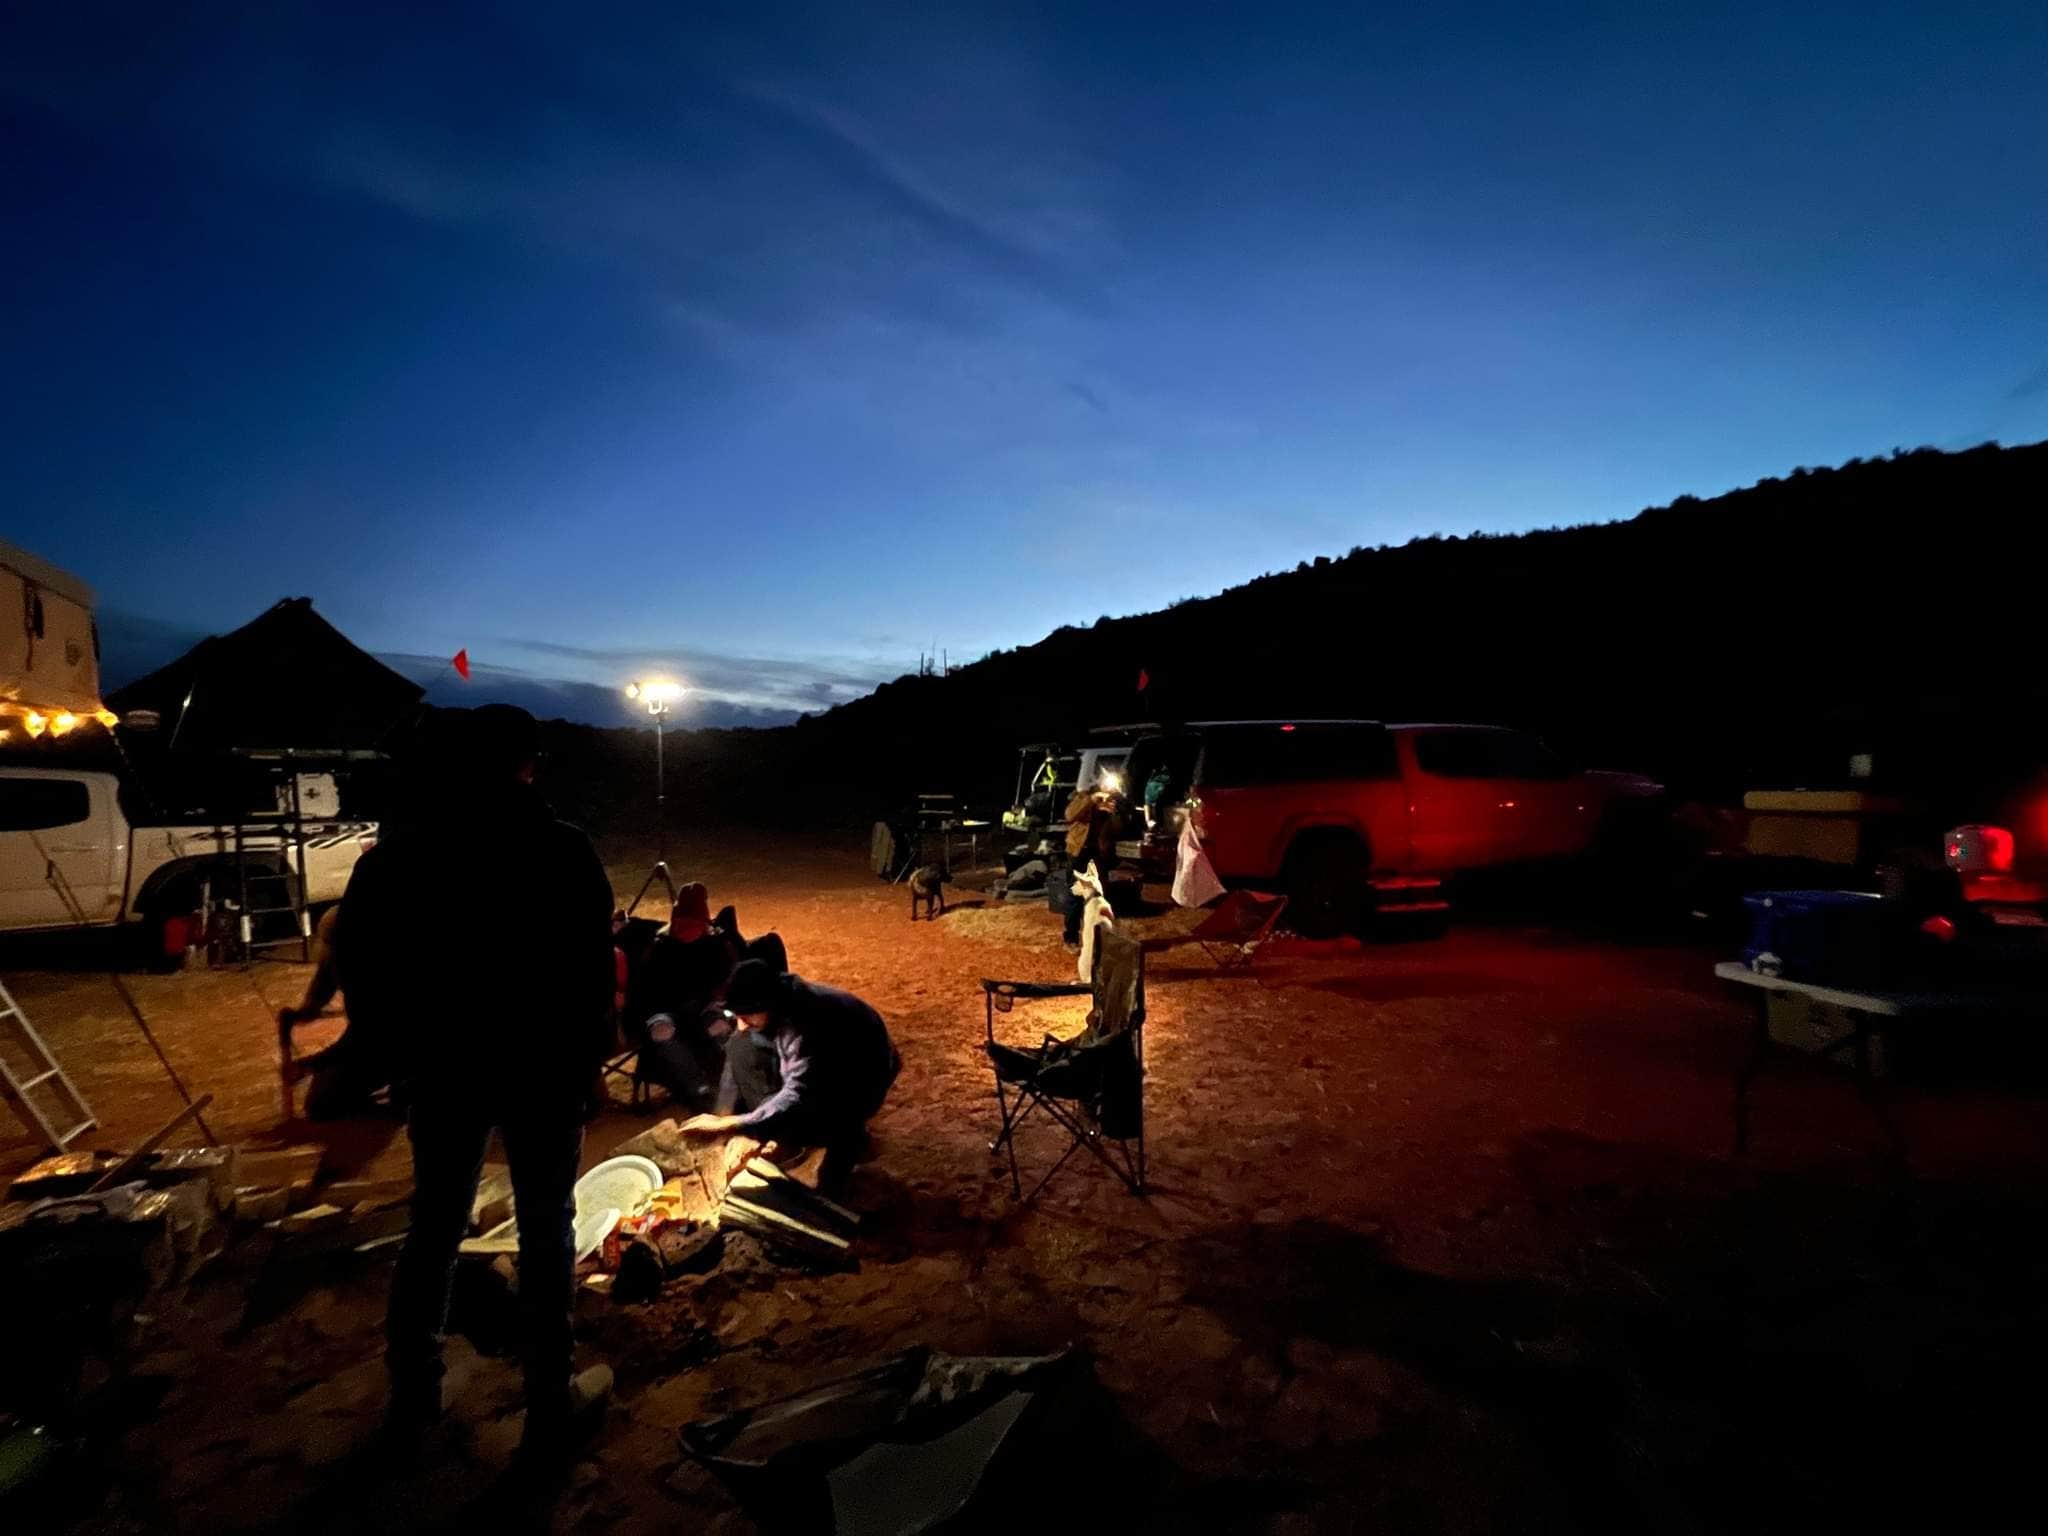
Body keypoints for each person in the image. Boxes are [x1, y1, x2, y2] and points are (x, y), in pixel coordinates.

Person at [340, 704, 617, 1465]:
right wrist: (591, 1061)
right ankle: (549, 1402)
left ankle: (414, 1394)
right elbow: (592, 974)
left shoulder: (400, 855)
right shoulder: (561, 849)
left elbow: (361, 969)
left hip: (444, 1069)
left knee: (433, 1226)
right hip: (542, 1067)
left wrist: (392, 1056)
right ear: (528, 764)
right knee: (547, 1230)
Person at [679, 959, 899, 1196]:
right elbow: (739, 1052)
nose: (741, 1022)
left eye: (746, 1015)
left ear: (766, 1005)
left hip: (860, 1078)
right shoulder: (781, 1000)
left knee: (815, 1129)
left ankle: (849, 1140)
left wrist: (734, 1125)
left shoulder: (806, 1025)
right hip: (822, 1064)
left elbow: (797, 1096)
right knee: (740, 1044)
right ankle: (772, 1126)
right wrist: (721, 1116)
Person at [623, 882, 741, 1106]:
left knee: (721, 1027)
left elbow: (728, 985)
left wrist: (719, 1003)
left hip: (702, 1009)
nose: (686, 929)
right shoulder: (659, 947)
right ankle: (698, 1089)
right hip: (665, 1010)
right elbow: (642, 992)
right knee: (662, 1031)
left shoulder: (716, 945)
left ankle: (729, 1083)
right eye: (682, 924)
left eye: (692, 924)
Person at [279, 904, 397, 1119]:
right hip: (373, 1042)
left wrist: (309, 1065)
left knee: (322, 1104)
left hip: (399, 1048)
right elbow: (321, 998)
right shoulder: (337, 961)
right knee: (321, 1098)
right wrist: (298, 1016)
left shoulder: (373, 976)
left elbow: (366, 1038)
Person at [1063, 785, 1122, 944]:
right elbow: (1070, 814)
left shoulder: (1110, 803)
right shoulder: (1083, 796)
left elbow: (1117, 829)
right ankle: (1071, 938)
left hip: (1097, 853)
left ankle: (1097, 938)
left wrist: (1112, 813)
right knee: (1076, 894)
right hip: (1078, 850)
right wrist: (1091, 800)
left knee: (1099, 895)